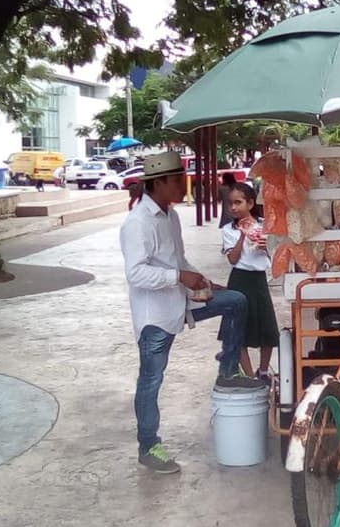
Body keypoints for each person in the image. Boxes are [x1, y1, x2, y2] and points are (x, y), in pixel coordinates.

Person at [119, 151, 257, 475]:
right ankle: (148, 445)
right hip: (155, 316)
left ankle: (228, 371)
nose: (184, 185)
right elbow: (135, 273)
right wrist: (179, 278)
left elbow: (179, 259)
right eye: (178, 180)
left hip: (182, 302)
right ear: (160, 183)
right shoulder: (137, 223)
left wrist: (204, 281)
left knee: (237, 301)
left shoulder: (170, 215)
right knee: (151, 380)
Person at [221, 182, 279, 382]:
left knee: (267, 326)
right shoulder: (228, 229)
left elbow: (277, 255)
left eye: (238, 202)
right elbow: (232, 259)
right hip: (239, 278)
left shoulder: (265, 225)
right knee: (238, 329)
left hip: (259, 278)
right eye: (231, 203)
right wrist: (241, 237)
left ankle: (263, 371)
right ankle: (248, 374)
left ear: (251, 203)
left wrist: (267, 245)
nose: (234, 208)